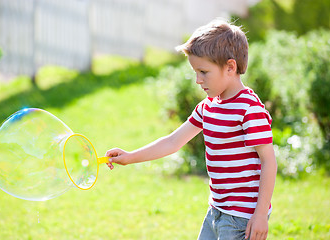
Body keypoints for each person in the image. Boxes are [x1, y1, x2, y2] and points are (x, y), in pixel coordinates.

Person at [105, 19, 277, 240]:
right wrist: (130, 157)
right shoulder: (208, 107)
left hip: (242, 218)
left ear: (230, 67)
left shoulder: (248, 108)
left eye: (204, 72)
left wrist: (261, 214)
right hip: (216, 210)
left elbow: (268, 161)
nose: (197, 80)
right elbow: (173, 141)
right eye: (196, 71)